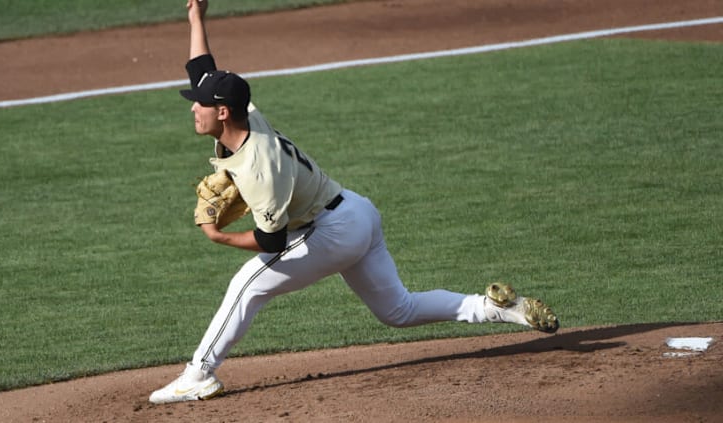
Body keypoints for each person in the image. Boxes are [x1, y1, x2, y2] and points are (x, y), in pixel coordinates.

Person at [149, 0, 559, 404]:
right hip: (356, 211)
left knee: (246, 287)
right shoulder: (246, 118)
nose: (193, 109)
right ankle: (494, 308)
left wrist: (219, 237)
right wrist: (196, 17)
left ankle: (199, 375)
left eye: (198, 104)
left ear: (222, 113)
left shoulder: (260, 170)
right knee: (397, 310)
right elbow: (203, 70)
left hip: (331, 233)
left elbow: (272, 243)